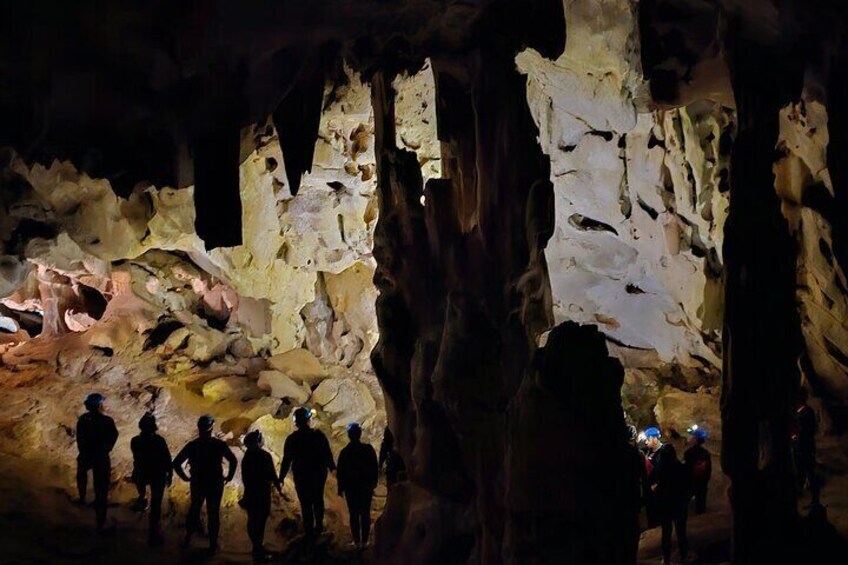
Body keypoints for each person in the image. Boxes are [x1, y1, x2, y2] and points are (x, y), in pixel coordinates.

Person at [173, 415, 238, 552]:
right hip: (215, 481)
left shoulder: (193, 445)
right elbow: (233, 460)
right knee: (213, 512)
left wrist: (185, 477)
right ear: (211, 428)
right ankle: (213, 544)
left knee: (195, 508)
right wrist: (229, 476)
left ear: (199, 428)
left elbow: (176, 463)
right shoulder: (219, 444)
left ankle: (188, 538)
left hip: (198, 481)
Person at [280, 407, 336, 538]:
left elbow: (287, 460)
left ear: (296, 422)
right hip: (317, 473)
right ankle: (319, 528)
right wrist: (332, 467)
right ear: (308, 420)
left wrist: (281, 477)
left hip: (302, 475)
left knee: (305, 503)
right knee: (317, 500)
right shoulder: (318, 435)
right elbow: (327, 453)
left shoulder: (292, 439)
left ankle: (309, 530)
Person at [645, 427, 689, 565]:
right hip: (679, 502)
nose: (646, 442)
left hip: (667, 502)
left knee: (667, 531)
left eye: (647, 439)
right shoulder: (679, 467)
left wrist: (655, 488)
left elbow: (656, 478)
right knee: (680, 531)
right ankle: (683, 556)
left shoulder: (662, 464)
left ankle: (667, 558)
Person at [76, 392, 119, 532]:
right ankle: (100, 520)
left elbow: (80, 438)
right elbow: (113, 436)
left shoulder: (83, 419)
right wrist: (106, 449)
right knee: (101, 488)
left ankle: (82, 498)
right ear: (100, 405)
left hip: (87, 453)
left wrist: (84, 450)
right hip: (100, 456)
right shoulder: (107, 421)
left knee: (81, 473)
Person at [130, 412, 173, 545]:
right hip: (156, 474)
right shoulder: (159, 440)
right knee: (156, 503)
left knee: (140, 481)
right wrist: (170, 473)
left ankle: (142, 497)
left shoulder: (135, 440)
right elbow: (167, 458)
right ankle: (154, 533)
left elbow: (137, 458)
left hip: (142, 473)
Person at [241, 430, 282, 561]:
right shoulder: (264, 455)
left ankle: (256, 545)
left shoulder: (247, 458)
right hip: (262, 492)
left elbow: (245, 478)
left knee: (253, 519)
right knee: (260, 519)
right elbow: (272, 473)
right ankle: (258, 548)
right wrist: (277, 485)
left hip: (251, 493)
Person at [337, 423, 378, 549]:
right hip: (365, 486)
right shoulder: (368, 449)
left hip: (351, 488)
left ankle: (356, 541)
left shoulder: (345, 452)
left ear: (349, 435)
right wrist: (373, 482)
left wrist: (341, 487)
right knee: (364, 513)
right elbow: (374, 467)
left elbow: (341, 471)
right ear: (359, 434)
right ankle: (364, 541)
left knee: (354, 514)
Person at [793, 388, 819, 503]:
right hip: (803, 446)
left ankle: (814, 500)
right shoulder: (803, 412)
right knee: (805, 472)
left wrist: (796, 437)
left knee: (809, 472)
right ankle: (812, 500)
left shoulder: (805, 413)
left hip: (804, 447)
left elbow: (806, 431)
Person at [684, 425, 712, 514]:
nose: (689, 437)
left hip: (691, 480)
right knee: (701, 499)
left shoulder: (689, 453)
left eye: (692, 436)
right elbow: (709, 469)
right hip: (702, 480)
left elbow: (686, 468)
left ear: (695, 439)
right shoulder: (705, 453)